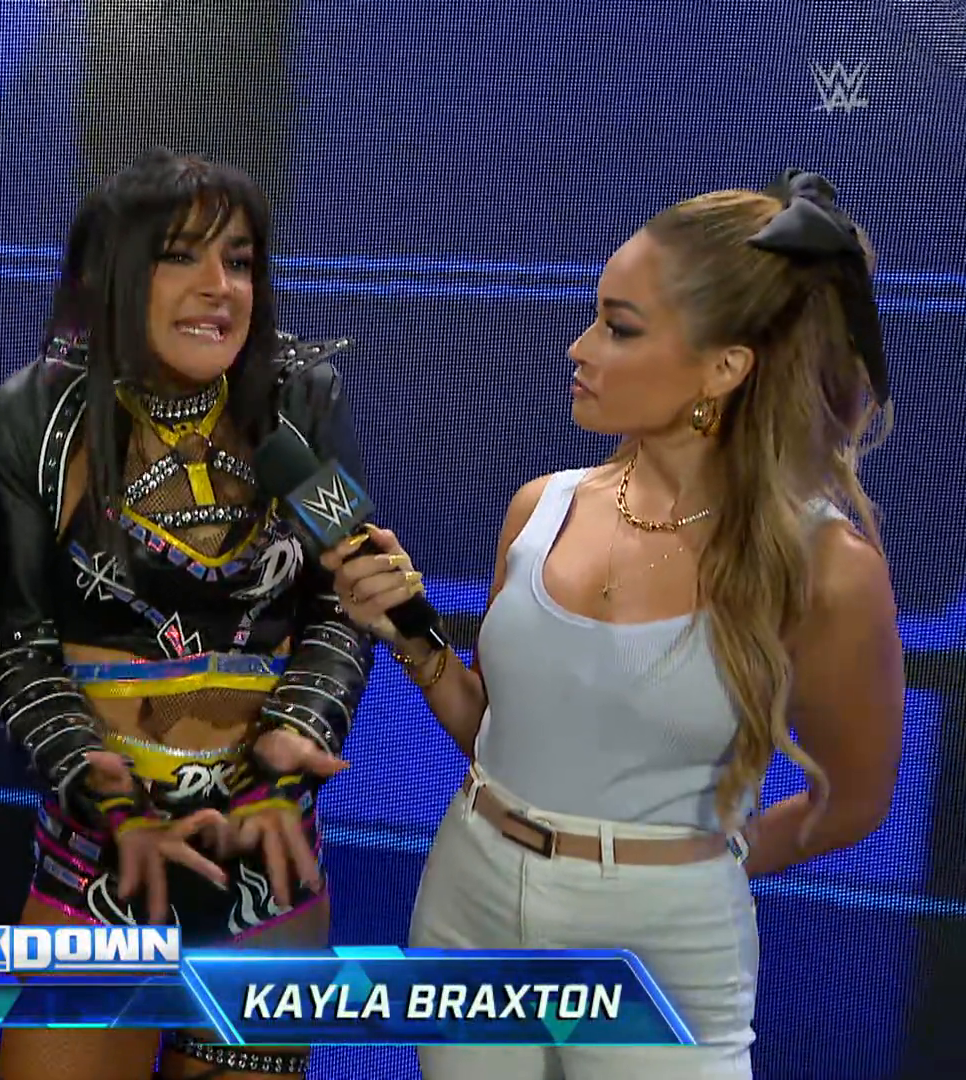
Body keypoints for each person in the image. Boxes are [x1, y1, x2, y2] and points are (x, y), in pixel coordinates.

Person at [327, 170, 903, 1080]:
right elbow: (499, 735)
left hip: (662, 949)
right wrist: (410, 639)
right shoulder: (541, 508)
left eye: (619, 327)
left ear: (724, 368)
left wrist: (686, 873)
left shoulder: (824, 568)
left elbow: (856, 800)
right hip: (469, 899)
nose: (579, 347)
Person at [0, 147, 375, 1080]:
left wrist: (292, 750)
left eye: (239, 261)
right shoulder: (32, 421)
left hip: (268, 867)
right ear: (110, 273)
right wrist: (106, 795)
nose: (218, 288)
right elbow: (15, 641)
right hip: (104, 864)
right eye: (179, 256)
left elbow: (344, 601)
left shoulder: (300, 405)